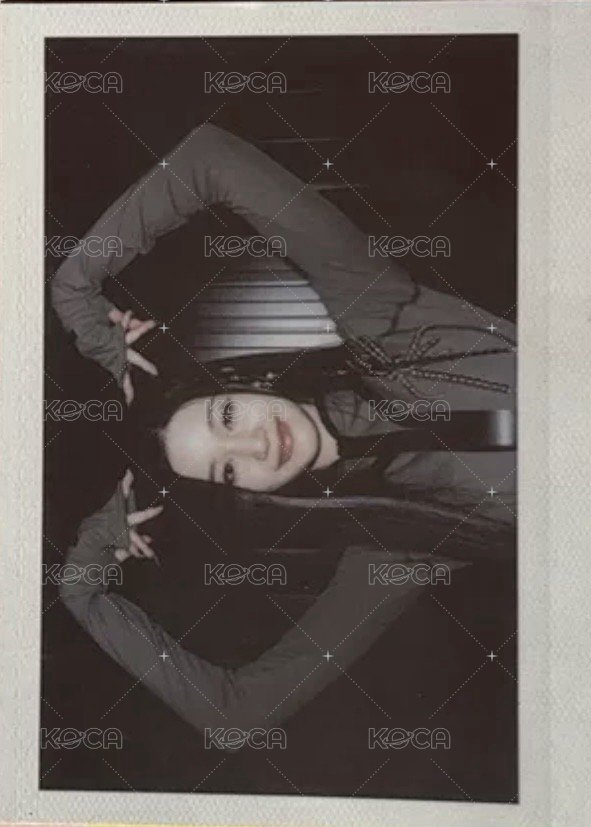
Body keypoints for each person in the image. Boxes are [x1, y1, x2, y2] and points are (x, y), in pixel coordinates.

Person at [51, 123, 516, 736]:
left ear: (243, 385)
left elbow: (210, 159)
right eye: (227, 469)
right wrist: (92, 562)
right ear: (244, 494)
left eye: (226, 417)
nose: (256, 444)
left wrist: (76, 293)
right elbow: (236, 714)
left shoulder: (379, 314)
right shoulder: (396, 544)